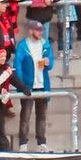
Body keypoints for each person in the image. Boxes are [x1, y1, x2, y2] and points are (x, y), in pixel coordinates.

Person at [13, 19, 53, 151]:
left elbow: (51, 64)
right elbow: (17, 66)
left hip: (42, 84)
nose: (40, 32)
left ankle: (41, 141)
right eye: (37, 30)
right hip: (28, 85)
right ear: (30, 31)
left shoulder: (45, 44)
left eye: (41, 30)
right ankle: (23, 142)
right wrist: (21, 85)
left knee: (42, 115)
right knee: (26, 115)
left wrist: (48, 62)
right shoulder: (23, 45)